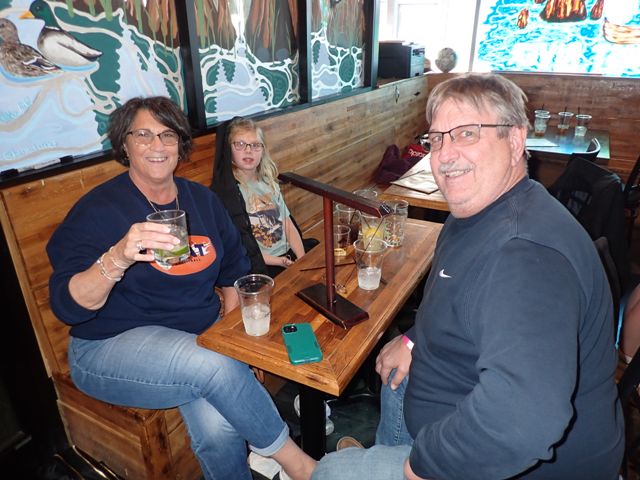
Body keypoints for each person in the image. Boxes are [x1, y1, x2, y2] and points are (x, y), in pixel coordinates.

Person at [311, 73, 624, 479]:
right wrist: (412, 339)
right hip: (452, 391)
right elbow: (458, 298)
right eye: (436, 139)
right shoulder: (475, 214)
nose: (444, 155)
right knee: (394, 382)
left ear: (515, 140)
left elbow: (522, 422)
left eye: (466, 134)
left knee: (330, 471)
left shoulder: (525, 256)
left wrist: (421, 466)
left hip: (516, 465)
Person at [46, 96, 316, 480]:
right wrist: (118, 257)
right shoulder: (98, 210)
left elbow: (234, 272)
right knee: (214, 366)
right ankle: (298, 464)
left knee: (219, 423)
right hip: (107, 346)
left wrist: (233, 342)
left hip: (196, 342)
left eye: (167, 135)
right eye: (143, 135)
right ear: (124, 144)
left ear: (180, 145)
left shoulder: (202, 201)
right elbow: (67, 306)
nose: (157, 145)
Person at [212, 117, 317, 278]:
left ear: (263, 151)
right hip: (261, 264)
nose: (248, 150)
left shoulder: (269, 183)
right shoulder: (229, 194)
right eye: (240, 144)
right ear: (228, 151)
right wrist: (279, 261)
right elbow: (241, 247)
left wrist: (302, 258)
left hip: (288, 255)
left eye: (255, 145)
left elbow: (288, 224)